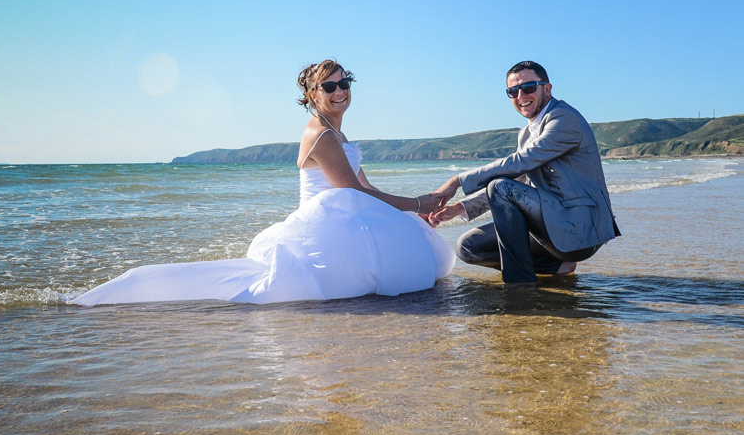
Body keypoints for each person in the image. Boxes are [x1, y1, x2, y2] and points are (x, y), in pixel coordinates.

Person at [74, 59, 455, 306]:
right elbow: (352, 192)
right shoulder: (319, 134)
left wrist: (413, 208)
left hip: (348, 216)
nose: (340, 92)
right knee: (291, 285)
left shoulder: (338, 134)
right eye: (329, 87)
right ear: (312, 96)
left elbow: (364, 186)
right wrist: (419, 203)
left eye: (345, 83)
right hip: (331, 223)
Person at [429, 60, 620, 285]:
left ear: (546, 89)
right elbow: (518, 177)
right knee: (468, 247)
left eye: (528, 88)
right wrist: (458, 209)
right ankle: (557, 267)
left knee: (500, 187)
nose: (520, 96)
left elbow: (519, 163)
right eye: (513, 91)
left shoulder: (564, 119)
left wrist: (458, 181)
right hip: (550, 224)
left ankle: (519, 284)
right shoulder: (526, 133)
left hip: (578, 229)